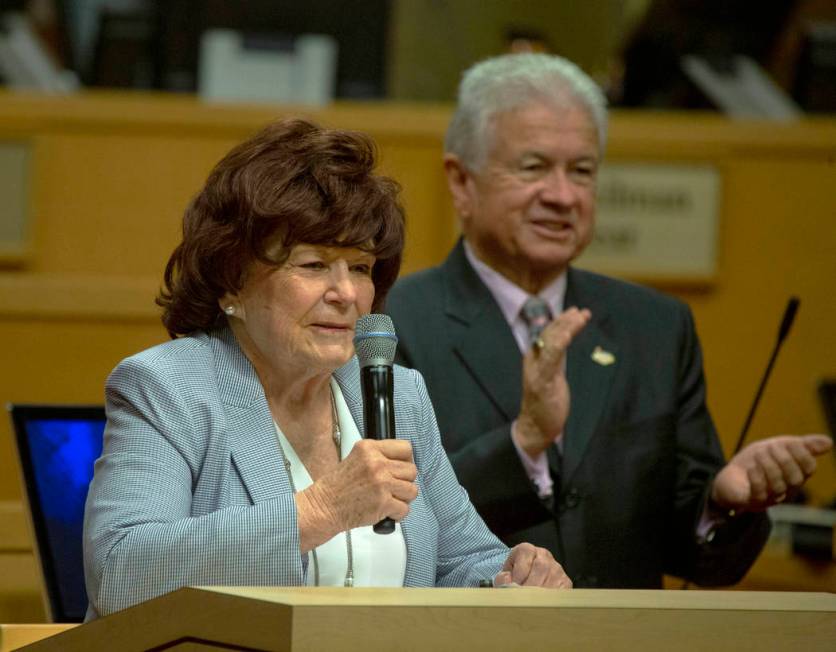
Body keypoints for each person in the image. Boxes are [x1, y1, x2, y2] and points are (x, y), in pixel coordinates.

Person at [82, 119, 571, 619]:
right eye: (313, 265)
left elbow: (461, 560)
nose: (346, 294)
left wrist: (511, 577)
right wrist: (321, 510)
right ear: (231, 283)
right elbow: (121, 571)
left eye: (360, 268)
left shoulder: (397, 394)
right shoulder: (169, 387)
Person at [385, 53, 832, 588]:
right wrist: (524, 441)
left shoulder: (656, 327)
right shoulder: (393, 322)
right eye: (534, 167)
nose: (563, 195)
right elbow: (391, 528)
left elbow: (701, 558)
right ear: (461, 182)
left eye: (582, 171)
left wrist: (723, 499)